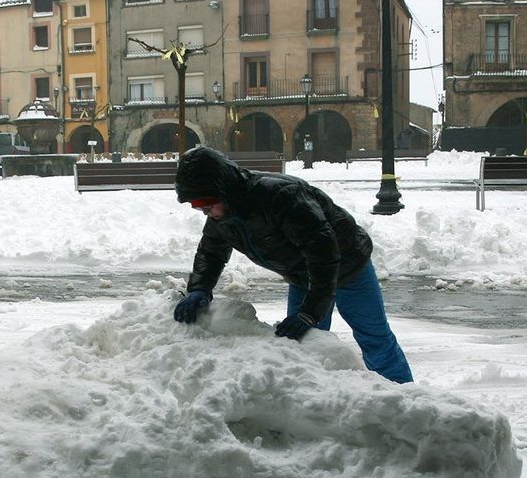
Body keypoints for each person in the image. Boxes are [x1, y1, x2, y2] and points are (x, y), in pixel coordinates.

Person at [171, 145, 414, 383]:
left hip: (350, 268)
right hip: (302, 276)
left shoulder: (282, 197)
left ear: (224, 191)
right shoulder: (222, 216)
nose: (205, 212)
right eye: (198, 207)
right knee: (303, 344)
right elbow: (211, 251)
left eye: (208, 204)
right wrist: (199, 288)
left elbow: (324, 255)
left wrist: (309, 313)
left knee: (374, 337)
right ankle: (316, 399)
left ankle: (404, 397)